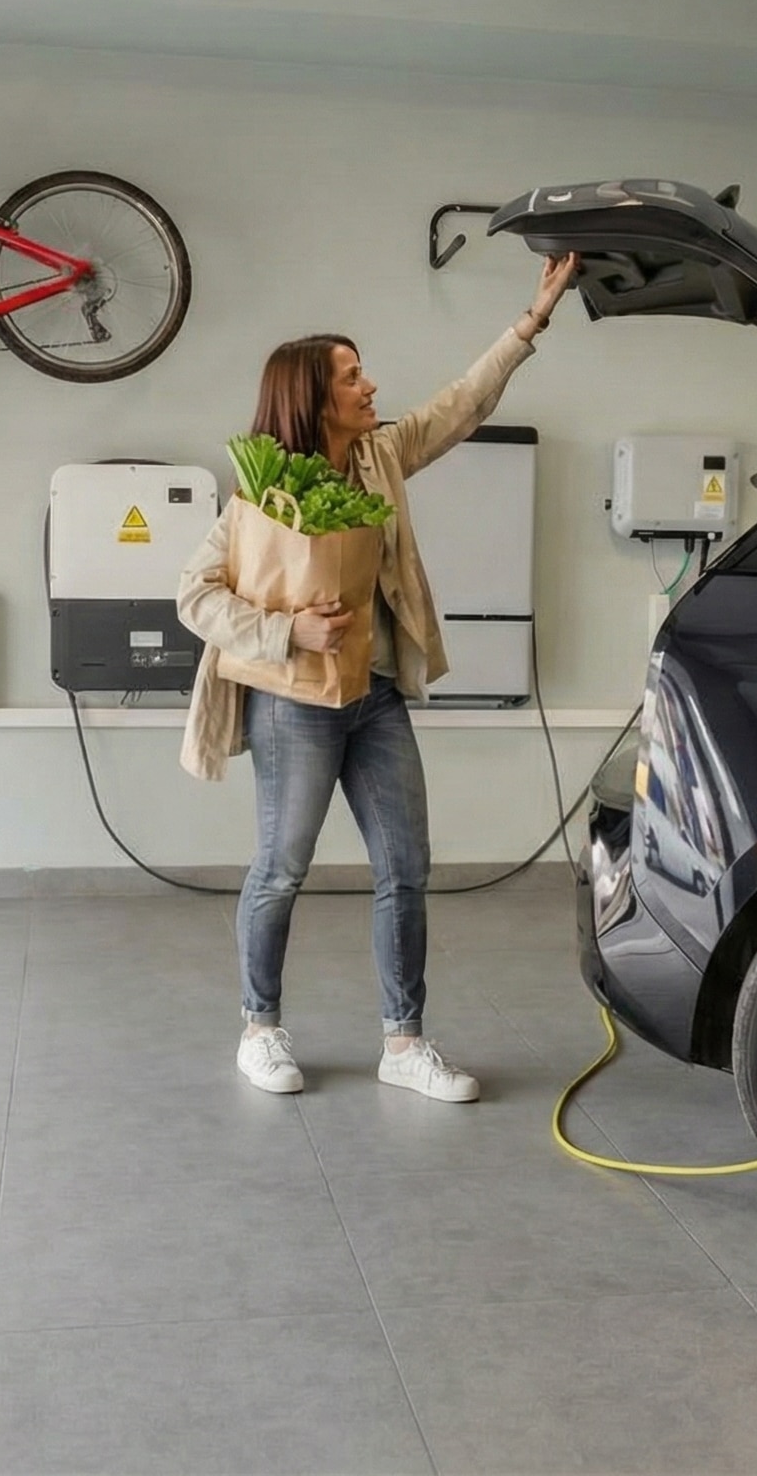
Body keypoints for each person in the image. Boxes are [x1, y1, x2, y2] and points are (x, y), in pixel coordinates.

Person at [178, 252, 581, 1101]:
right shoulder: (261, 494)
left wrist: (530, 322)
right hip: (292, 706)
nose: (370, 388)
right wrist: (288, 628)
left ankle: (404, 1045)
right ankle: (260, 1029)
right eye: (353, 378)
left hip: (377, 697)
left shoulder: (381, 458)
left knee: (406, 866)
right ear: (314, 399)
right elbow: (195, 595)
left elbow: (461, 406)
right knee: (281, 868)